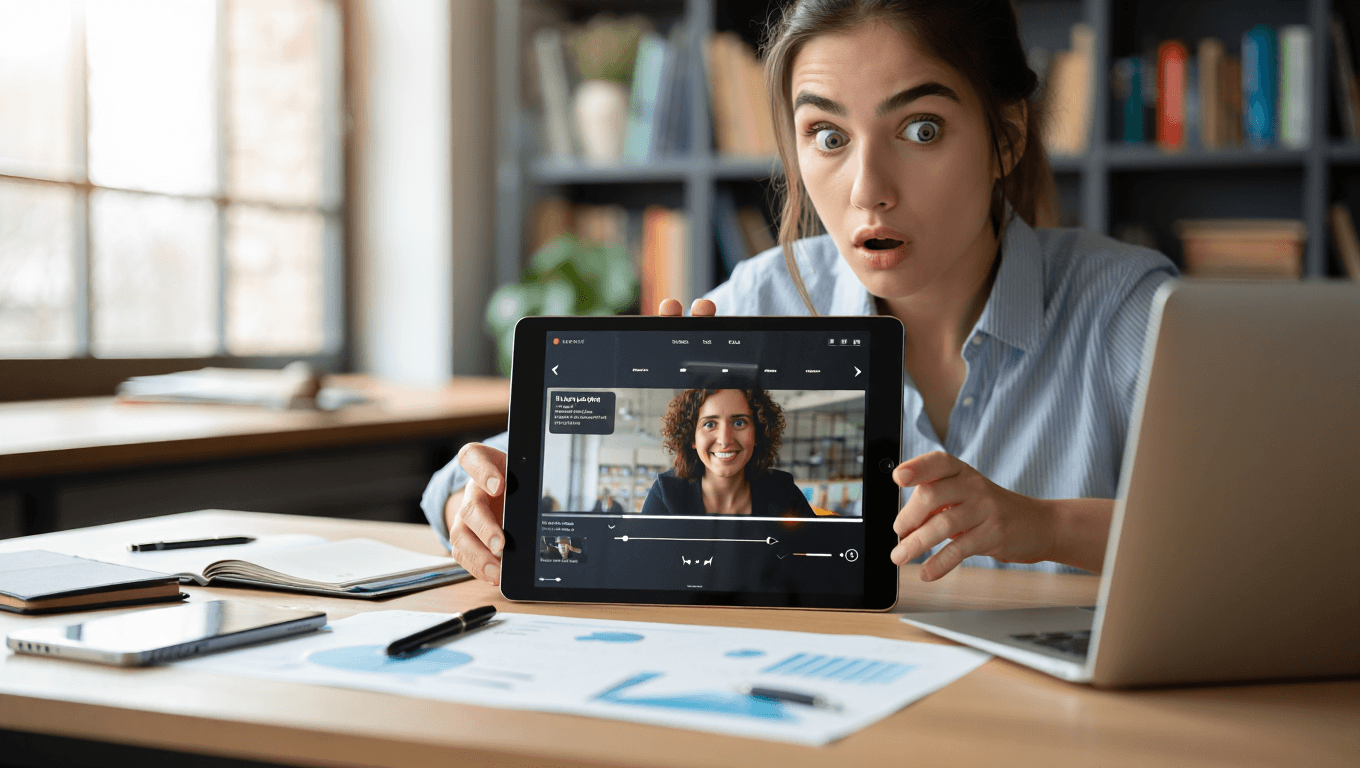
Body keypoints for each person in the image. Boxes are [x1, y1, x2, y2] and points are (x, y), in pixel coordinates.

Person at [423, 0, 1175, 587]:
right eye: (828, 135)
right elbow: (471, 476)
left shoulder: (1130, 311)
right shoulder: (764, 294)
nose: (867, 191)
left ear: (1006, 137)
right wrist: (474, 501)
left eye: (920, 130)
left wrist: (1041, 526)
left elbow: (1267, 539)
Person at [639, 388, 817, 517]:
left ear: (758, 433)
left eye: (739, 423)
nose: (725, 440)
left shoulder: (783, 492)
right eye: (709, 424)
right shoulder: (667, 494)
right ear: (691, 438)